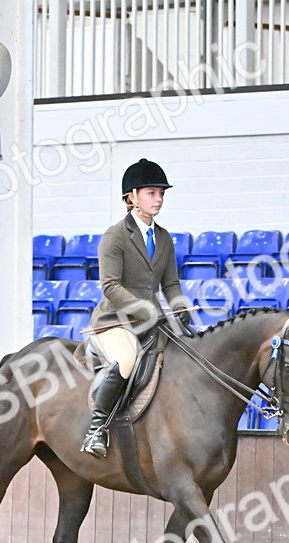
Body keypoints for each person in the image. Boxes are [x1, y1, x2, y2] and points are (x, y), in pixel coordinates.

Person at [80, 158, 193, 458]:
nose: (158, 199)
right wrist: (145, 309)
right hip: (115, 322)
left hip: (153, 321)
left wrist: (181, 309)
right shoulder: (115, 236)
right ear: (132, 197)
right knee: (126, 360)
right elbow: (110, 286)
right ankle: (96, 430)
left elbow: (170, 285)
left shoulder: (164, 238)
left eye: (161, 194)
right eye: (151, 193)